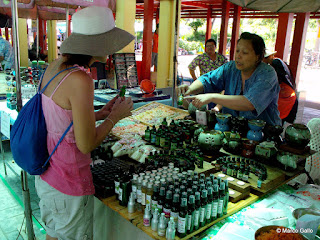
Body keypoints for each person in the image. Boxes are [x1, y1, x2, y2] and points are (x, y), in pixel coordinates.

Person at [34, 6, 134, 240]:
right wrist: (113, 117)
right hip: (68, 181)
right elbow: (86, 144)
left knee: (53, 233)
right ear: (96, 44)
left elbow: (61, 117)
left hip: (48, 175)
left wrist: (98, 114)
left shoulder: (55, 67)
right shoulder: (80, 79)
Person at [178, 32, 281, 126]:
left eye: (244, 52)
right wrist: (190, 89)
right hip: (233, 130)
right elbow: (207, 79)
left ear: (258, 57)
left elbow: (249, 103)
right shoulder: (231, 68)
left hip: (264, 135)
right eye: (237, 51)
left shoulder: (267, 74)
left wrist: (212, 97)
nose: (238, 56)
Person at [263, 50, 298, 124]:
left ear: (268, 57)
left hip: (285, 94)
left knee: (277, 117)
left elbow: (278, 78)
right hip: (287, 93)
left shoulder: (276, 63)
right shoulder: (279, 61)